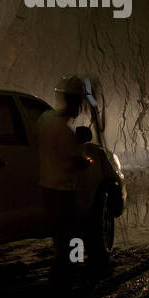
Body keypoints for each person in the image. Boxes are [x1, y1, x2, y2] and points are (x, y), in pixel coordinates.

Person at [38, 74, 91, 286]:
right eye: (79, 101)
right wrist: (84, 156)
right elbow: (76, 161)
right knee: (73, 234)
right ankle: (69, 271)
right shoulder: (62, 130)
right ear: (75, 101)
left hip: (47, 188)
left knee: (60, 237)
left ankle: (61, 274)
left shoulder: (45, 120)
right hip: (63, 191)